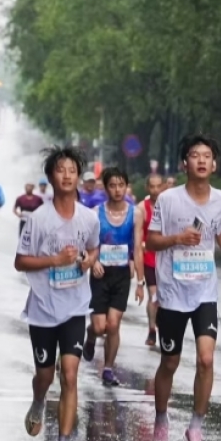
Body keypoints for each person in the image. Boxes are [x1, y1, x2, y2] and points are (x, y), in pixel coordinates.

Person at [147, 133, 221, 441]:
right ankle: (161, 421)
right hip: (173, 293)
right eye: (195, 155)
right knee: (170, 362)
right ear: (184, 163)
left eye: (207, 155)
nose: (201, 160)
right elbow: (151, 241)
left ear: (214, 164)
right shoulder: (168, 200)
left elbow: (220, 228)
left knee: (206, 359)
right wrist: (177, 238)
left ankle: (196, 427)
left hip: (204, 291)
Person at [15, 146, 100, 441]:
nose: (67, 175)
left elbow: (93, 249)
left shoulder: (88, 218)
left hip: (75, 307)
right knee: (45, 376)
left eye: (72, 170)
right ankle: (38, 400)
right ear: (51, 177)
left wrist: (88, 261)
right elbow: (20, 261)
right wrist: (55, 260)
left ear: (78, 177)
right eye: (60, 170)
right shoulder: (38, 219)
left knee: (70, 375)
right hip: (42, 308)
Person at [83, 166, 144, 387]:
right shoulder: (95, 213)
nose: (117, 190)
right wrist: (94, 262)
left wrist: (140, 281)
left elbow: (137, 248)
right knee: (100, 327)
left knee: (113, 324)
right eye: (112, 185)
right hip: (100, 274)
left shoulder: (136, 214)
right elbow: (87, 245)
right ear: (105, 188)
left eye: (121, 185)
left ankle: (108, 369)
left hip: (121, 274)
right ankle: (90, 336)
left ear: (126, 186)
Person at [140, 174, 165, 346]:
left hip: (167, 258)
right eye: (152, 186)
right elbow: (137, 232)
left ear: (163, 187)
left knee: (165, 298)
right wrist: (140, 244)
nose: (155, 190)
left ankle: (163, 326)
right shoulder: (142, 208)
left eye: (158, 186)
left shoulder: (170, 205)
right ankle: (151, 330)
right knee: (153, 295)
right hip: (149, 257)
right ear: (147, 188)